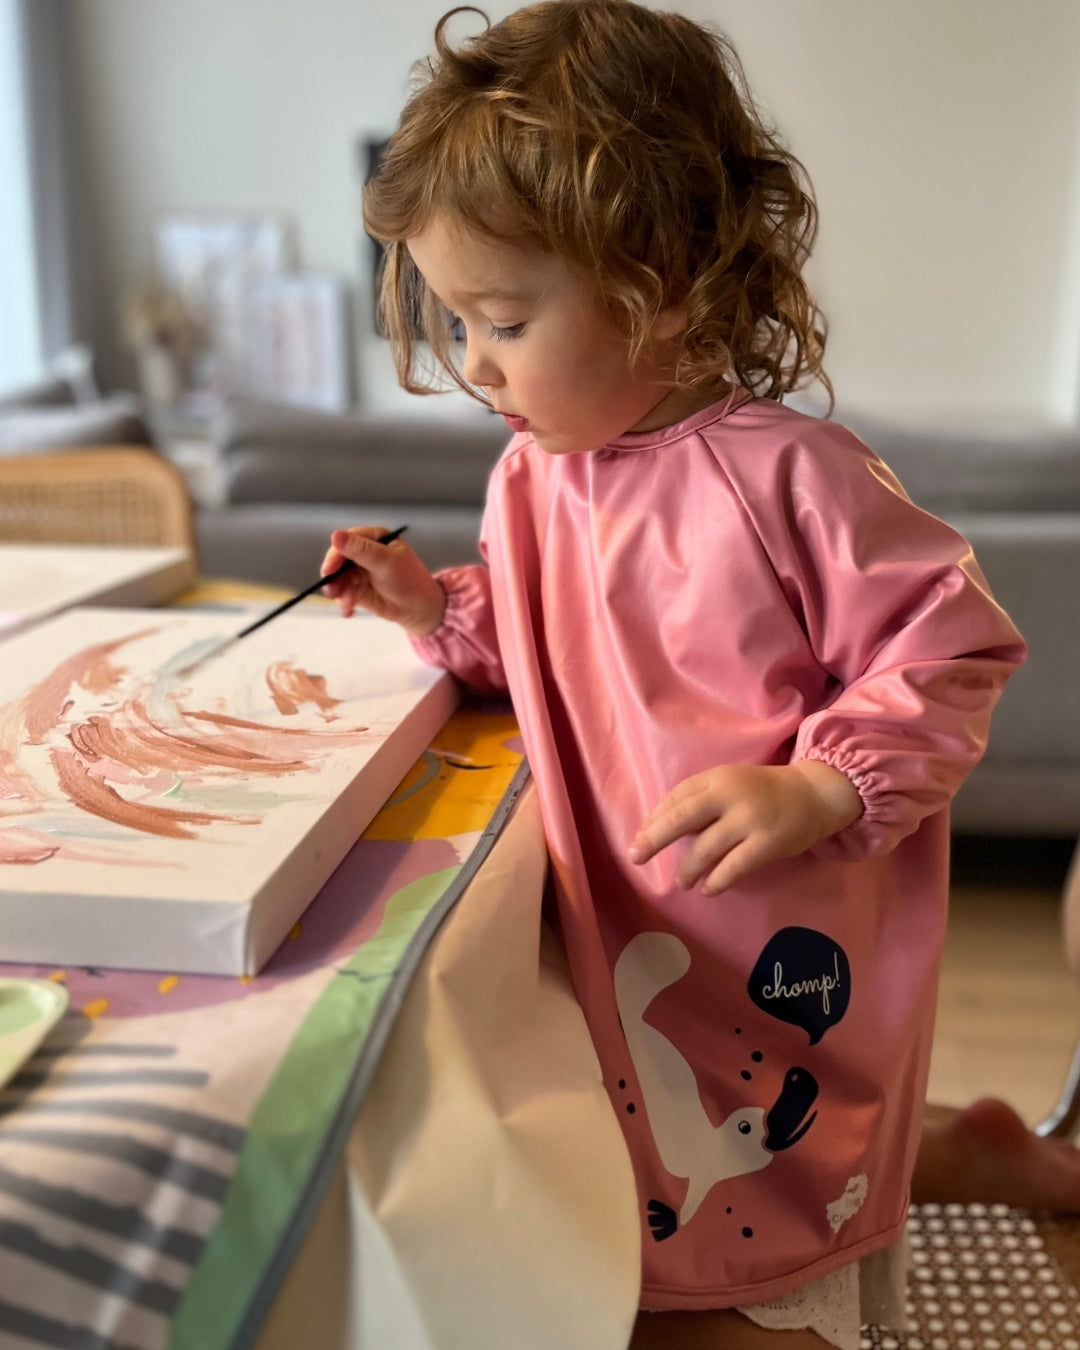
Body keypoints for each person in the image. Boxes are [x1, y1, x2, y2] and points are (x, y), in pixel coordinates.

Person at [323, 3, 1051, 1344]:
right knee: (655, 1157)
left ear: (658, 287)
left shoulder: (793, 476)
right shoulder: (531, 474)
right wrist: (436, 606)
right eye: (456, 321)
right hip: (626, 917)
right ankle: (966, 1149)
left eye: (503, 319)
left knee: (776, 1179)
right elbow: (541, 645)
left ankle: (907, 1203)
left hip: (763, 925)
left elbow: (952, 646)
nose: (474, 365)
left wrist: (825, 784)